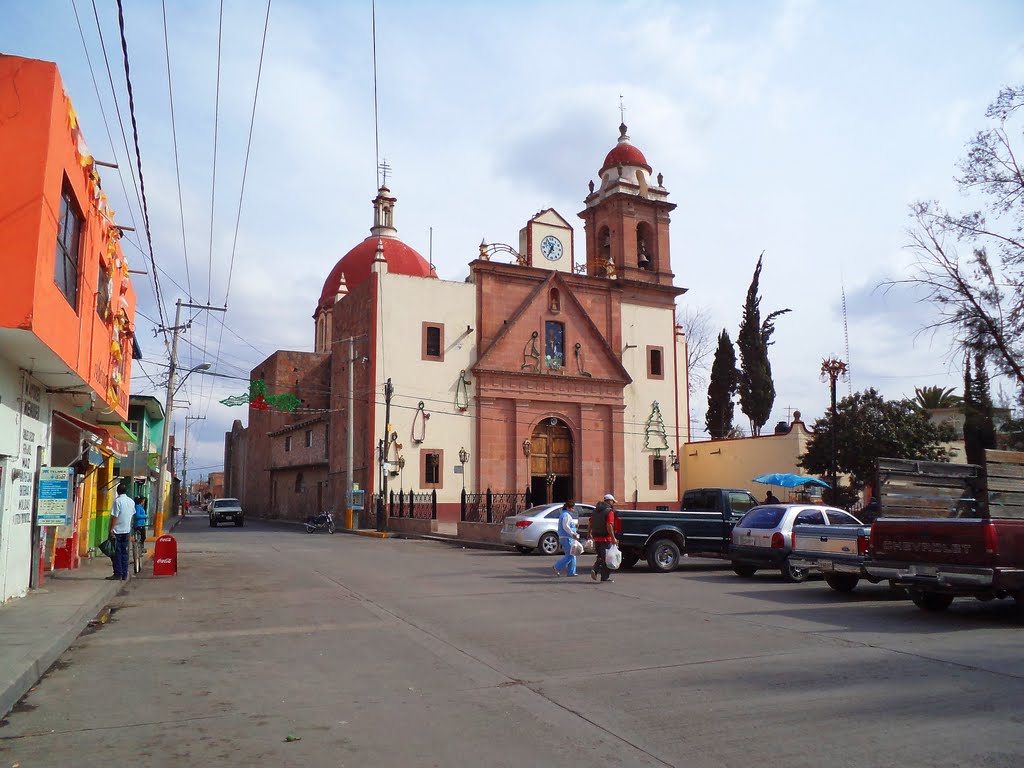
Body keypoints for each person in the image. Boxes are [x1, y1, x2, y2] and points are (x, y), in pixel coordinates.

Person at [108, 482, 135, 581]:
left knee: (117, 553)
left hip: (117, 531)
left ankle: (118, 573)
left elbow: (115, 516)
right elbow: (132, 514)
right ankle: (124, 573)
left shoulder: (117, 501)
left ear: (117, 491)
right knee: (125, 553)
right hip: (126, 530)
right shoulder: (131, 501)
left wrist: (111, 529)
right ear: (126, 491)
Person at [589, 493, 619, 583]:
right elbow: (609, 525)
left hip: (596, 537)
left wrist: (589, 533)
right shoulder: (609, 511)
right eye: (613, 502)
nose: (613, 503)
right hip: (606, 538)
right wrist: (613, 538)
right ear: (609, 501)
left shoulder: (595, 511)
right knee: (608, 558)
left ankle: (595, 570)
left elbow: (590, 522)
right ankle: (604, 577)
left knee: (601, 556)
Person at [551, 500, 580, 577]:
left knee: (572, 554)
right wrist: (572, 534)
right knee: (570, 555)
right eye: (572, 508)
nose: (573, 510)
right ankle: (557, 566)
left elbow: (569, 526)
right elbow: (566, 526)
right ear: (568, 508)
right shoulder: (566, 515)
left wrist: (575, 528)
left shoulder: (565, 515)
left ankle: (571, 572)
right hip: (566, 537)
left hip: (567, 537)